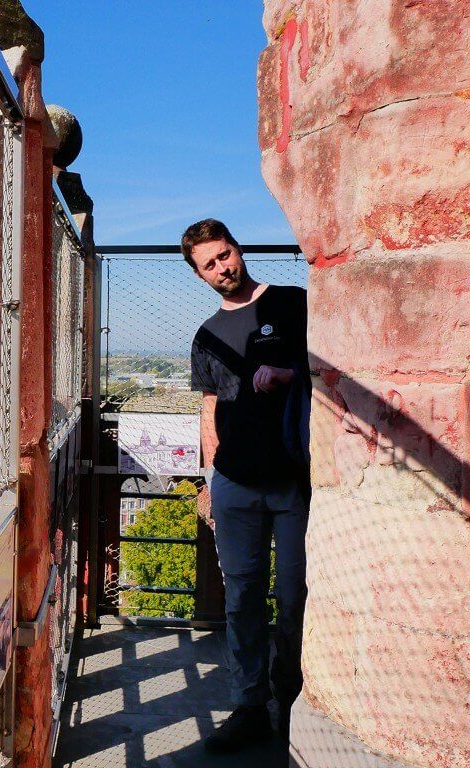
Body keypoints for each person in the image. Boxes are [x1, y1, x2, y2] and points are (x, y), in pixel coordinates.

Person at [183, 219, 310, 753]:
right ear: (200, 275)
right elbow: (209, 407)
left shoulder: (291, 302)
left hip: (295, 480)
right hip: (234, 482)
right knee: (242, 599)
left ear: (239, 247)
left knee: (298, 594)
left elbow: (331, 367)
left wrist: (289, 374)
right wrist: (211, 479)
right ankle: (251, 705)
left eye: (225, 254)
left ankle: (295, 699)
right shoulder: (208, 335)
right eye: (209, 264)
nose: (222, 268)